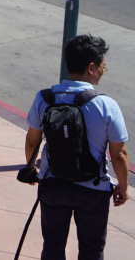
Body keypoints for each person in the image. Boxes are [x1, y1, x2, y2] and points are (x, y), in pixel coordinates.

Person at [25, 34, 128, 260]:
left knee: (52, 247)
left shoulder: (44, 98)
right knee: (92, 251)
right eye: (103, 66)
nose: (103, 71)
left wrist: (31, 168)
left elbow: (32, 140)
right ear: (91, 67)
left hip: (53, 185)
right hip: (93, 190)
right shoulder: (106, 104)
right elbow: (118, 154)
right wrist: (122, 185)